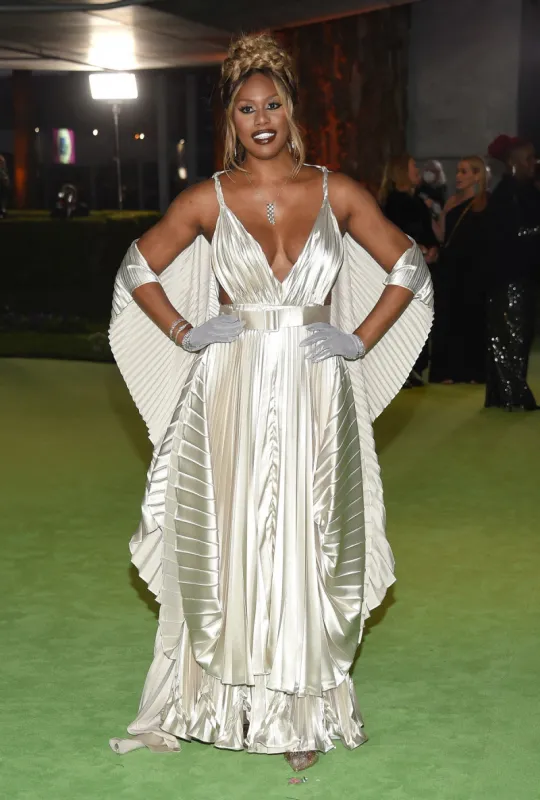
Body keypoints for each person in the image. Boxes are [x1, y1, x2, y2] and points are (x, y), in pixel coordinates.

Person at [108, 34, 433, 770]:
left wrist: (359, 337)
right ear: (232, 119)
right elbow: (138, 267)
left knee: (309, 543)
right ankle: (225, 702)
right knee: (232, 543)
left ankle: (301, 713)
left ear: (292, 112)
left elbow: (407, 263)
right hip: (232, 386)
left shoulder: (336, 189)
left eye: (273, 104)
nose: (261, 118)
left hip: (317, 385)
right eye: (247, 107)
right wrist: (187, 330)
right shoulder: (205, 198)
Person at [484, 135, 540, 411]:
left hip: (521, 276)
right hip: (509, 279)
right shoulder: (508, 194)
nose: (535, 163)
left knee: (517, 337)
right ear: (514, 163)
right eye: (529, 158)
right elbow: (508, 234)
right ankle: (511, 394)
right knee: (511, 337)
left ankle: (505, 393)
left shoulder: (524, 192)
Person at [429, 157, 489, 384]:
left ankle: (473, 371)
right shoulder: (452, 201)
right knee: (448, 318)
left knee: (472, 318)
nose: (459, 176)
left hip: (474, 269)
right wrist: (431, 215)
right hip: (450, 267)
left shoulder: (484, 202)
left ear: (477, 175)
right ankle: (448, 371)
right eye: (458, 171)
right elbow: (443, 235)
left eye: (464, 172)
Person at [379, 154, 438, 385]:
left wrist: (433, 248)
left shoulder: (416, 200)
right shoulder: (394, 203)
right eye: (414, 167)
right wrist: (421, 249)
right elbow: (396, 235)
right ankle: (403, 371)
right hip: (406, 269)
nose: (419, 171)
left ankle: (414, 368)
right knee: (406, 319)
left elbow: (426, 231)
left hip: (422, 266)